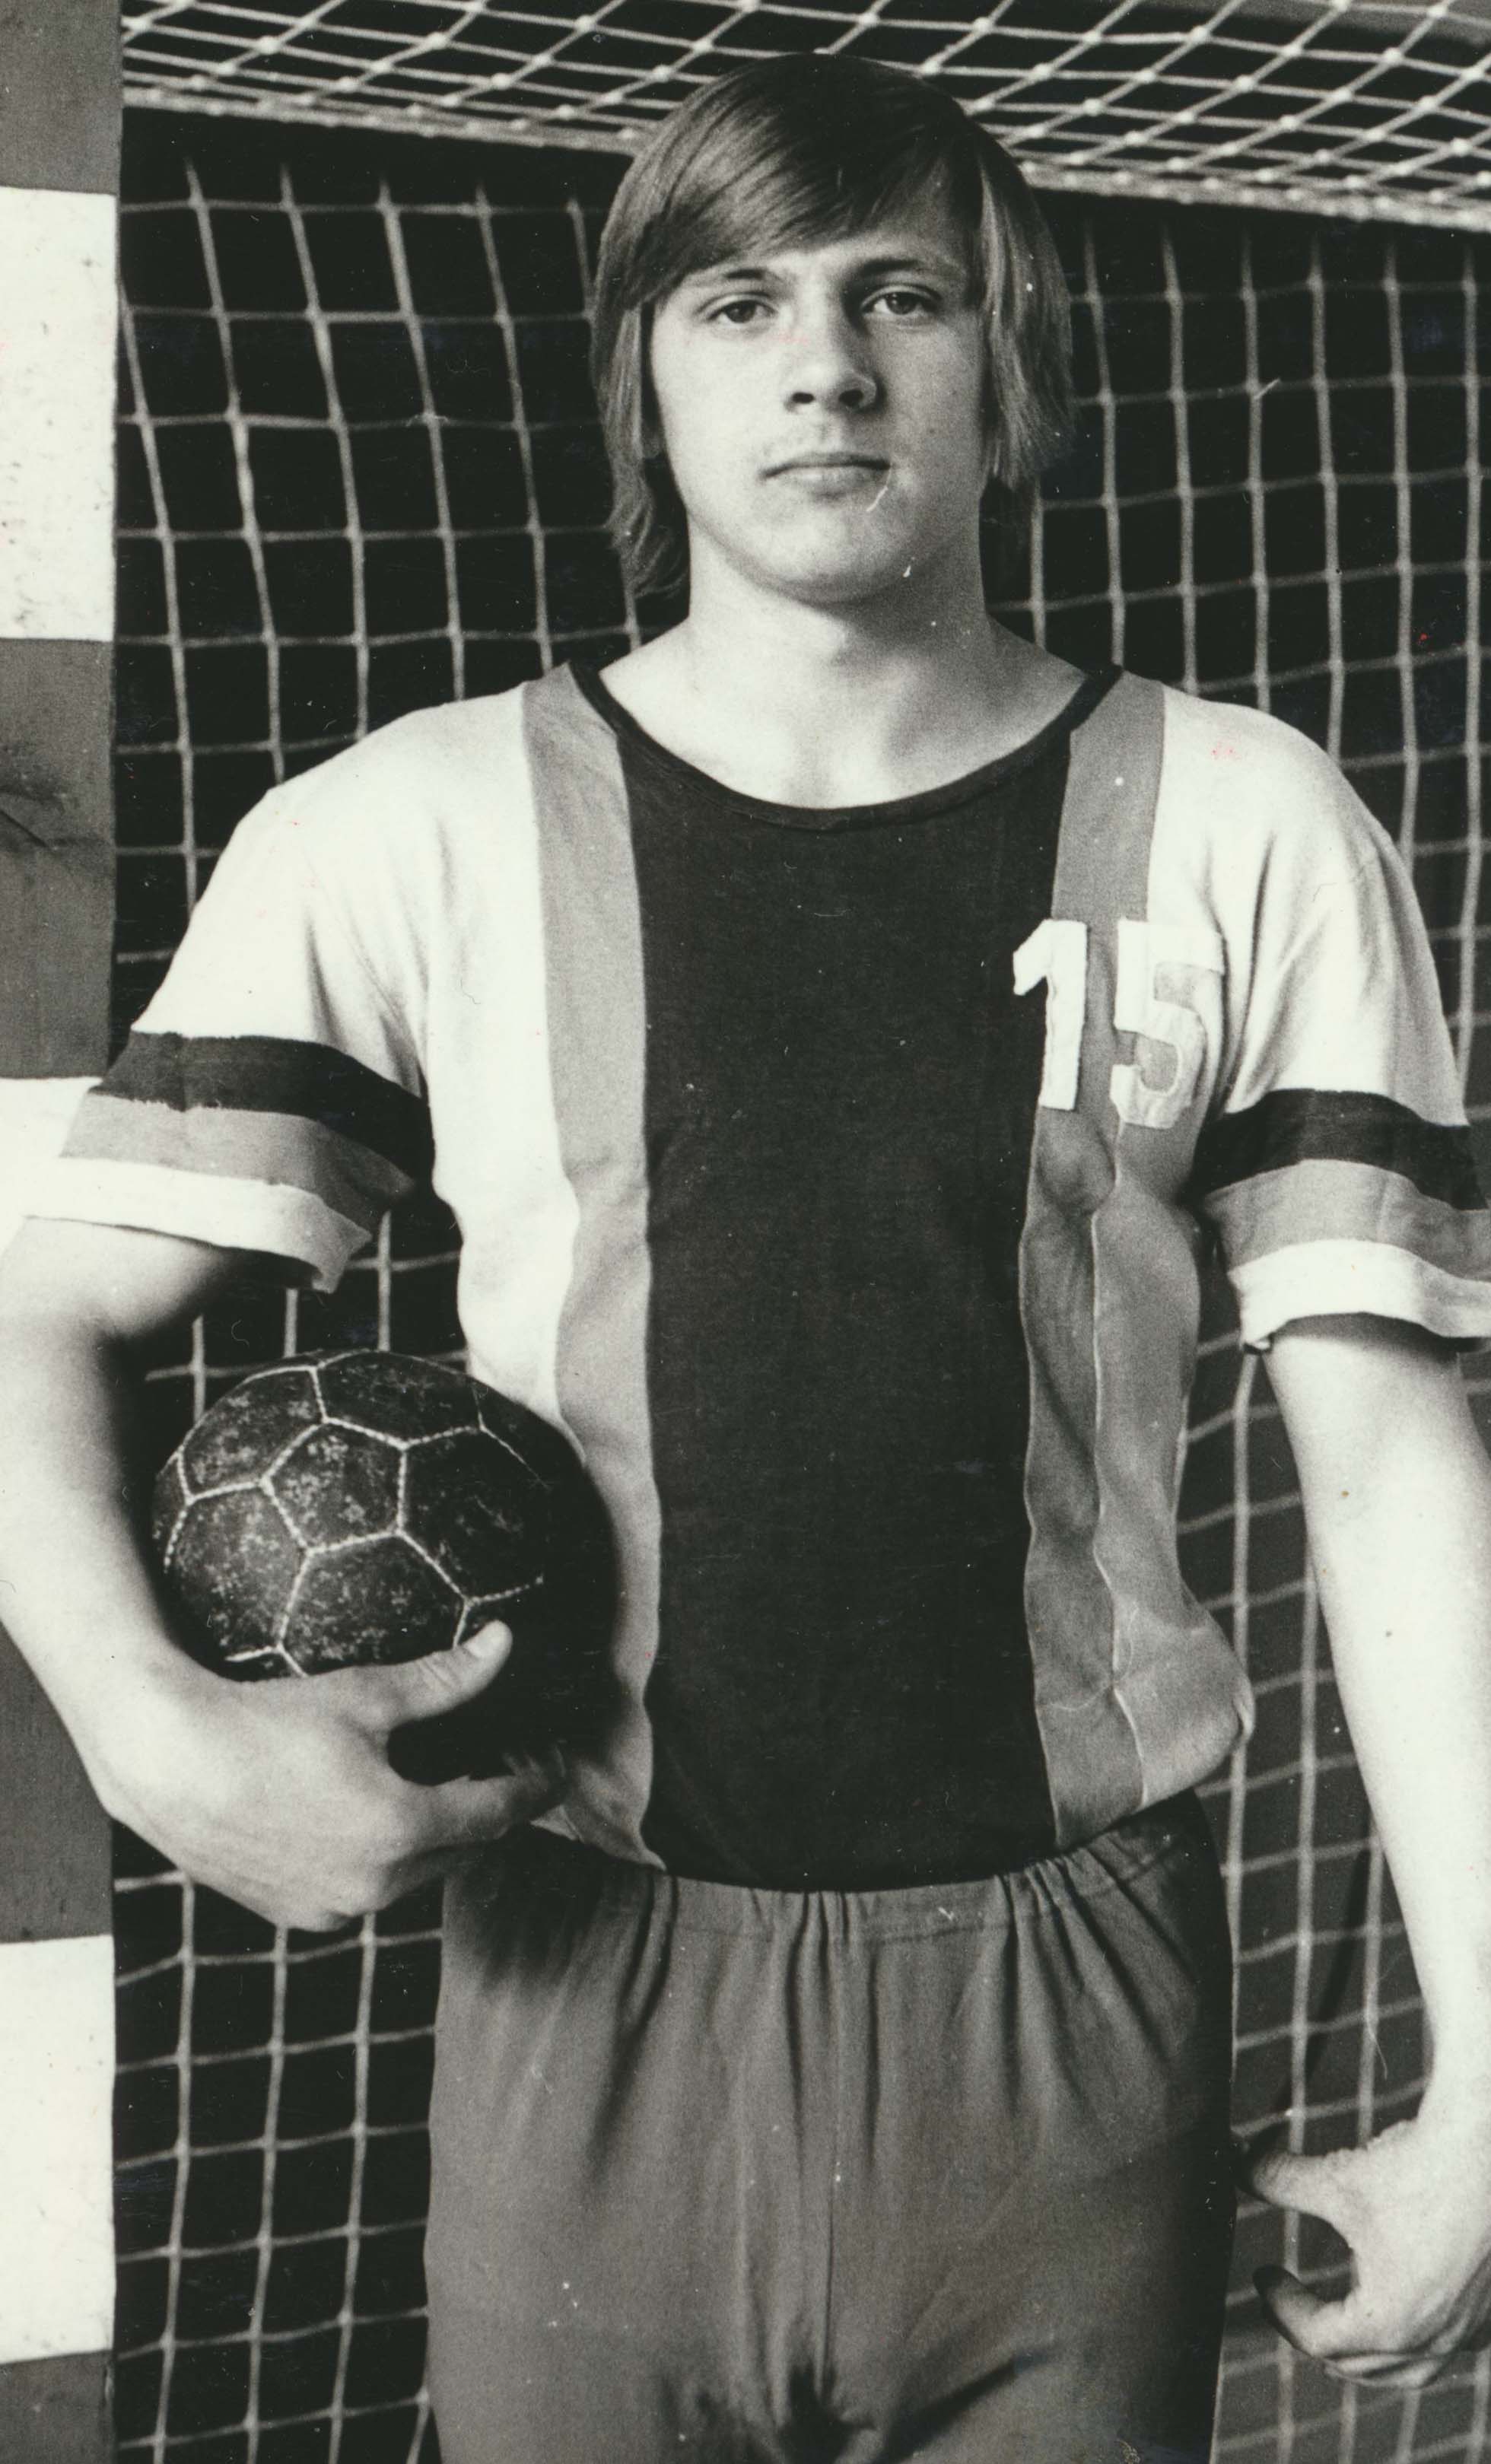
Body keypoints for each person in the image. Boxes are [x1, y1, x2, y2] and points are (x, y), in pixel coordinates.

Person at [3, 51, 1491, 2462]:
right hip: (590, 1975)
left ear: (1011, 365)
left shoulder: (1244, 820)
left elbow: (1392, 1458)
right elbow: (32, 1308)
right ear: (644, 382)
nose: (825, 364)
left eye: (903, 294)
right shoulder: (413, 828)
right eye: (740, 302)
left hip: (1072, 1999)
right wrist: (144, 1726)